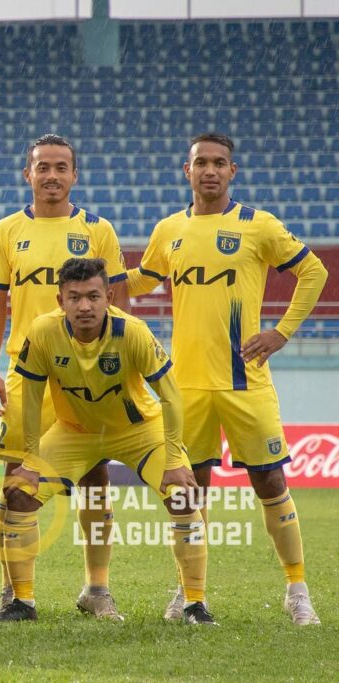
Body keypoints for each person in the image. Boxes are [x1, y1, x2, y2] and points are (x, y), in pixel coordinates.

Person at [128, 132, 326, 625]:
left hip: (245, 383)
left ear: (232, 171)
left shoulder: (258, 225)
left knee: (270, 481)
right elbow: (140, 283)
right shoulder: (169, 230)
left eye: (219, 162)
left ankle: (297, 590)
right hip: (186, 387)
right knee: (187, 491)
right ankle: (188, 592)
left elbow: (314, 272)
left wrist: (281, 332)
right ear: (187, 170)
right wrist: (94, 279)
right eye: (201, 162)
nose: (210, 170)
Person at [0, 257, 213, 625]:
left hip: (137, 429)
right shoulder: (43, 332)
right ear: (60, 300)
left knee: (183, 496)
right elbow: (30, 402)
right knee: (19, 494)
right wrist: (30, 461)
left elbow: (172, 396)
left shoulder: (133, 331)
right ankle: (22, 603)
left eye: (93, 296)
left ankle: (194, 604)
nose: (84, 306)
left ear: (108, 297)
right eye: (75, 297)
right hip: (75, 431)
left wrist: (175, 460)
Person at [0, 133, 129, 619]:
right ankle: (13, 590)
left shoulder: (98, 229)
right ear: (28, 174)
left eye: (60, 167)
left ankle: (97, 588)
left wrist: (119, 366)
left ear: (74, 175)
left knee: (95, 477)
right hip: (27, 373)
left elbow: (120, 304)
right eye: (42, 166)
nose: (51, 175)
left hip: (88, 374)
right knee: (16, 479)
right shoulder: (6, 230)